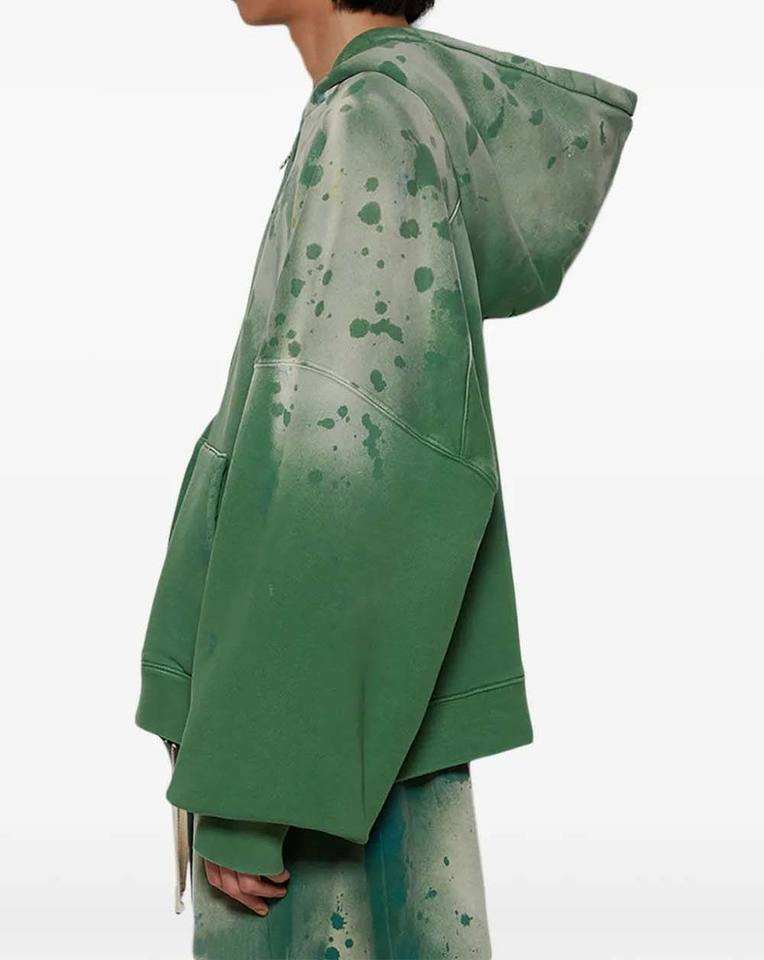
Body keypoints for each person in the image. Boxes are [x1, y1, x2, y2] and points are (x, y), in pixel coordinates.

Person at [136, 1, 636, 956]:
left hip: (313, 753)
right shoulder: (380, 115)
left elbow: (345, 476)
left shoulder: (367, 125)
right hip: (345, 723)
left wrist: (254, 783)